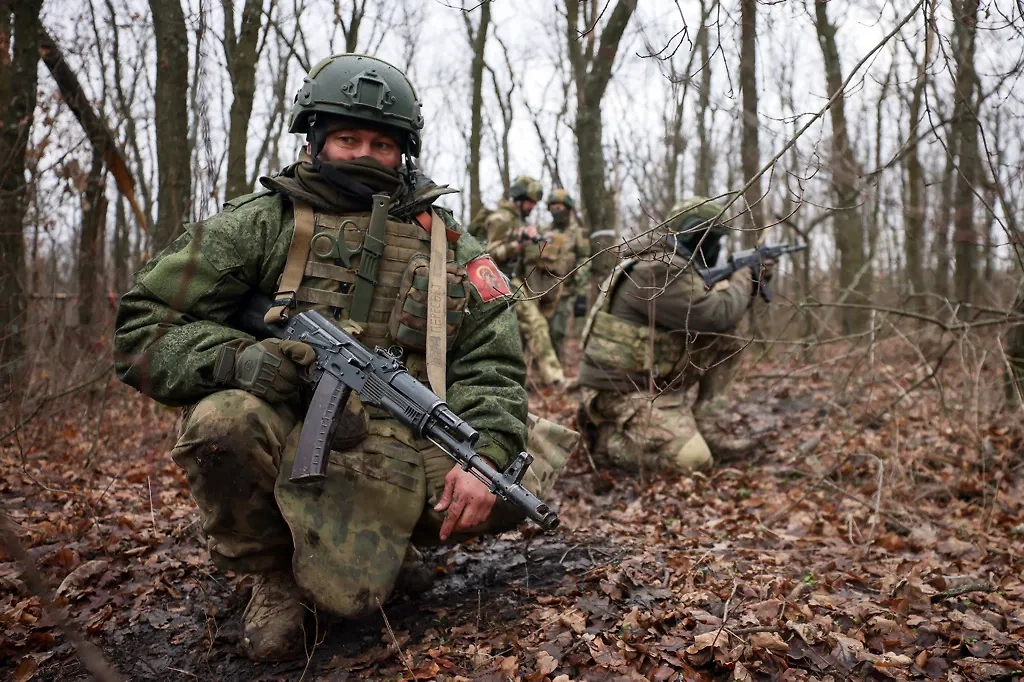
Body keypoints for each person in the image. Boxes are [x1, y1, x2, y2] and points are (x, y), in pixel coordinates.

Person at [113, 54, 532, 662]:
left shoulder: (450, 243)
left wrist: (488, 453)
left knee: (512, 480)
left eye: (381, 144)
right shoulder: (259, 226)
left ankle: (388, 544)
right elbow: (141, 328)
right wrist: (238, 359)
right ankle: (275, 574)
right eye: (347, 138)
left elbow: (491, 362)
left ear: (404, 152)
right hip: (293, 425)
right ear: (315, 141)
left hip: (402, 430)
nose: (364, 154)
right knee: (223, 421)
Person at [576, 196, 771, 474]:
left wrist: (751, 278)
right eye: (712, 240)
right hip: (619, 392)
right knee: (693, 460)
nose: (715, 248)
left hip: (649, 382)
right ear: (695, 235)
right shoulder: (658, 269)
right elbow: (715, 314)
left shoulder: (669, 263)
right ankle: (608, 441)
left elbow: (719, 320)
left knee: (728, 338)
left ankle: (706, 423)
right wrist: (744, 277)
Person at [484, 176, 565, 386]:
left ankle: (528, 379)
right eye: (529, 202)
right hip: (497, 281)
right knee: (535, 325)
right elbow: (488, 253)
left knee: (527, 329)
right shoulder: (500, 218)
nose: (532, 206)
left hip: (515, 281)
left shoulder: (520, 219)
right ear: (518, 198)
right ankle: (554, 379)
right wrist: (517, 244)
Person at [521, 189, 590, 362]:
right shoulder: (543, 230)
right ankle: (538, 370)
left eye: (559, 207)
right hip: (541, 289)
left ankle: (557, 369)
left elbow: (584, 260)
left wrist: (581, 292)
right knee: (536, 329)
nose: (555, 211)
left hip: (565, 290)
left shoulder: (577, 233)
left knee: (557, 331)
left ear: (567, 209)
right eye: (552, 207)